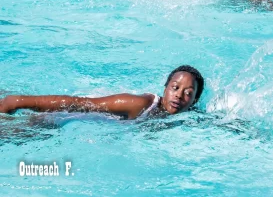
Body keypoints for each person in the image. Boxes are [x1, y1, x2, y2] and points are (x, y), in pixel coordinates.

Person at [0, 66, 204, 120]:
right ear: (165, 89)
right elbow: (78, 103)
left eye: (188, 93)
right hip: (62, 117)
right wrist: (18, 102)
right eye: (174, 88)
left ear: (194, 101)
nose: (178, 95)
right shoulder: (138, 104)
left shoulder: (187, 115)